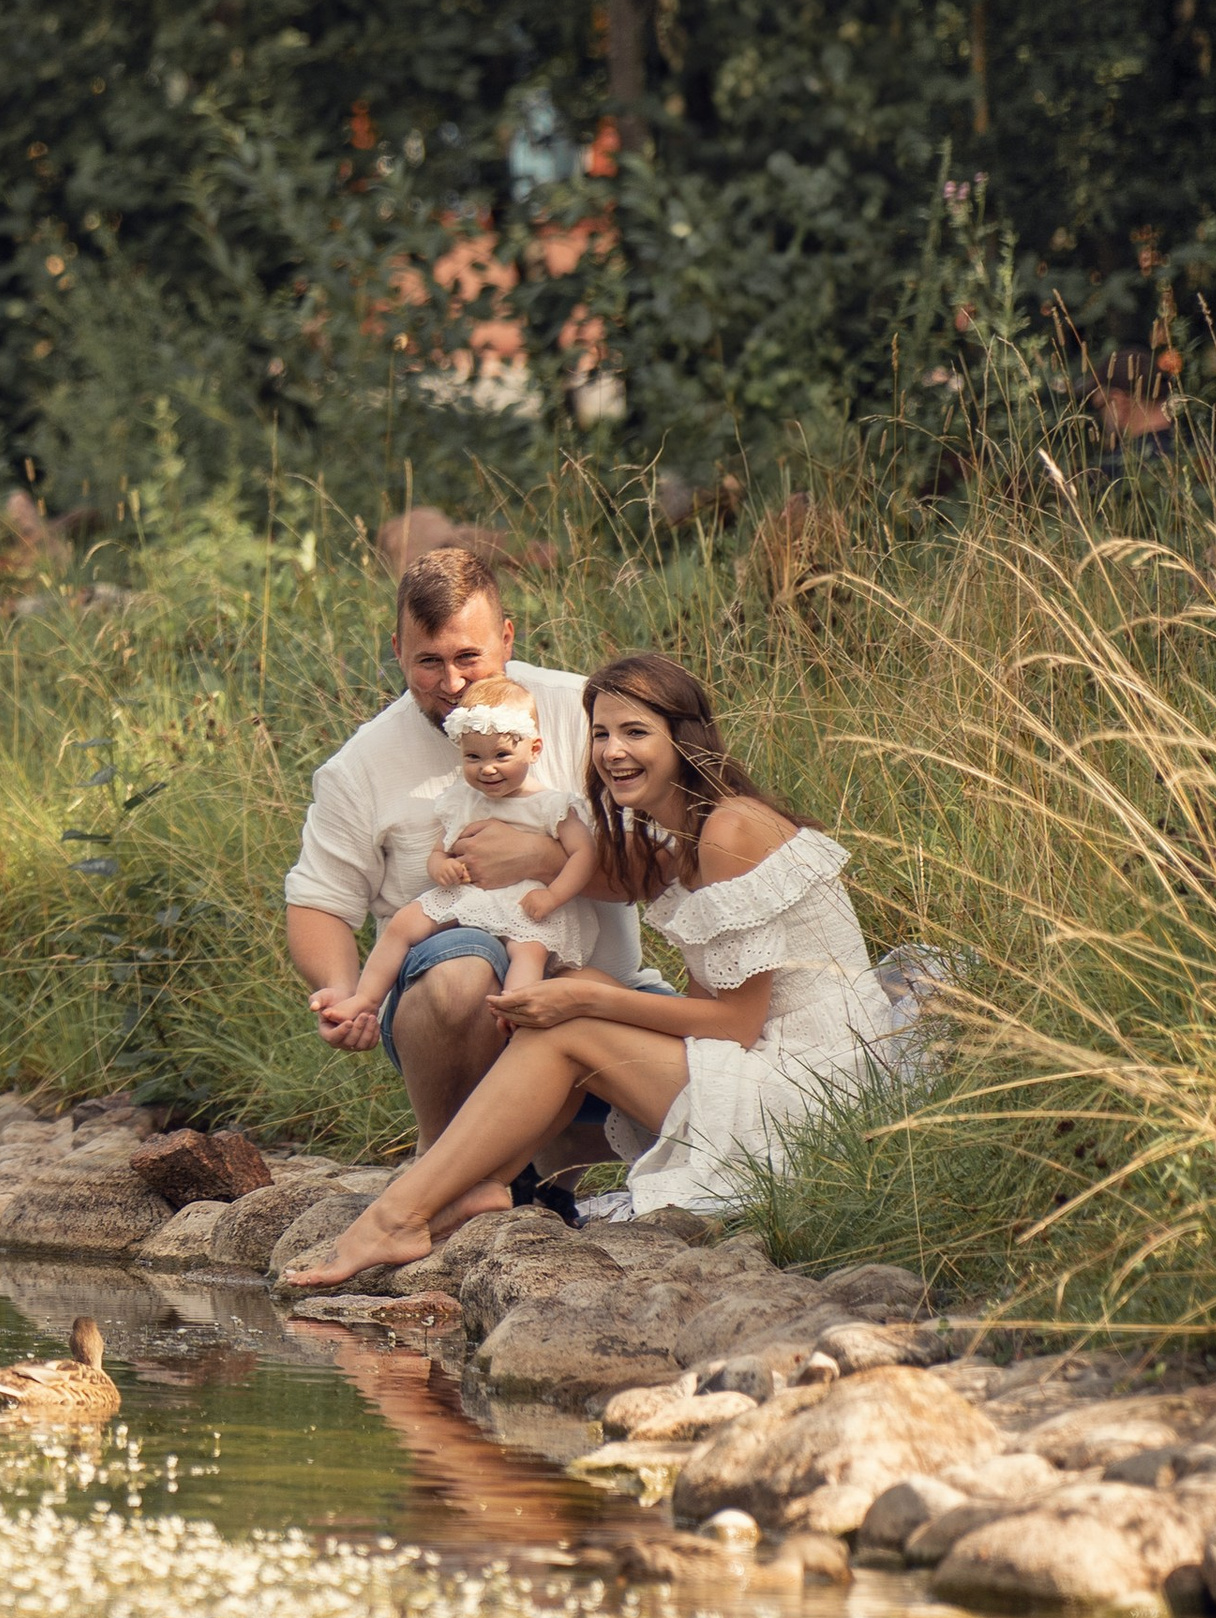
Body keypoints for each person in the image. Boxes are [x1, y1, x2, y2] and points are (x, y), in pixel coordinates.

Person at [284, 651, 898, 1288]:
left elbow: (735, 1026)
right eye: (601, 734)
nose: (612, 751)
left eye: (636, 732)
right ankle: (481, 1185)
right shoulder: (688, 836)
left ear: (684, 739)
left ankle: (400, 1215)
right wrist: (581, 986)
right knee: (576, 989)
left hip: (812, 1089)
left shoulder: (730, 831)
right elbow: (710, 1005)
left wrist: (586, 1004)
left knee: (570, 1020)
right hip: (775, 1059)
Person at [284, 549, 642, 1190]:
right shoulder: (359, 766)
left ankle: (546, 1176)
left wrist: (544, 860)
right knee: (461, 968)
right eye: (428, 661)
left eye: (468, 657)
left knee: (717, 1090)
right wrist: (343, 992)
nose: (451, 684)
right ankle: (445, 1168)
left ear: (507, 638)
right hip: (449, 1019)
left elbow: (666, 867)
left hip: (592, 996)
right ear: (398, 651)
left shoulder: (587, 714)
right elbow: (318, 903)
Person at [324, 674, 602, 1048]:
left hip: (526, 899)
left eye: (502, 756)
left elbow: (584, 854)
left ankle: (515, 1012)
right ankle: (366, 999)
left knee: (528, 951)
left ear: (534, 749)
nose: (487, 768)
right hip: (470, 894)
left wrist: (554, 896)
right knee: (404, 923)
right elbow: (441, 848)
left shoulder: (551, 804)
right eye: (473, 757)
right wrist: (440, 866)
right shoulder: (462, 800)